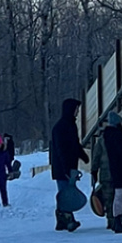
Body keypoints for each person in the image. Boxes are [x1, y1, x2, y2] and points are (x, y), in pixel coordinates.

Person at [49, 97, 87, 232]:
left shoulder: (71, 125)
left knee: (67, 191)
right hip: (62, 167)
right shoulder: (60, 127)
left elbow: (75, 145)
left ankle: (62, 221)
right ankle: (68, 220)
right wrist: (66, 169)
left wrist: (83, 156)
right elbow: (60, 150)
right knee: (65, 192)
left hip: (69, 166)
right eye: (76, 109)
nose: (77, 111)